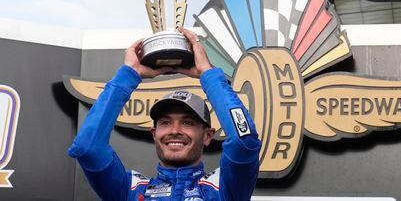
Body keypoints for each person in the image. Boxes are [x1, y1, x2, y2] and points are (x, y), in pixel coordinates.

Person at [67, 28, 262, 200]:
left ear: (208, 135)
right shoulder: (131, 191)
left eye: (187, 123)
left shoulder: (223, 190)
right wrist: (129, 74)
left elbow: (243, 141)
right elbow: (87, 148)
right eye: (165, 122)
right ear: (154, 133)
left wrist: (207, 73)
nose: (175, 130)